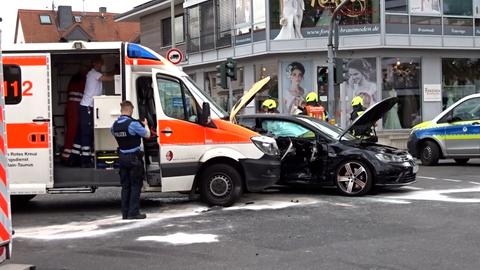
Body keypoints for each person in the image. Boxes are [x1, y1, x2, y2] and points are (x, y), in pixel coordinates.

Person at [111, 100, 151, 220]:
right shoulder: (133, 124)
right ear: (130, 110)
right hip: (134, 158)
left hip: (122, 158)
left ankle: (125, 213)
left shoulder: (115, 125)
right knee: (135, 185)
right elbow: (147, 135)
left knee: (125, 186)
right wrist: (145, 124)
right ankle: (133, 212)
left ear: (121, 110)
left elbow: (113, 133)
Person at [78, 58, 113, 167]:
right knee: (86, 133)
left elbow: (105, 75)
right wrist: (118, 75)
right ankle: (85, 160)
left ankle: (88, 157)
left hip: (90, 107)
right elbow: (107, 78)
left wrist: (114, 72)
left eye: (101, 64)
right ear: (93, 64)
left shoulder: (95, 74)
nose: (100, 65)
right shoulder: (93, 74)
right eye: (98, 63)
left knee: (89, 133)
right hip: (87, 107)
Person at [61, 67, 87, 165]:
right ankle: (67, 157)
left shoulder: (75, 79)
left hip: (71, 107)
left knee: (72, 132)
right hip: (74, 108)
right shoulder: (81, 79)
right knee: (73, 131)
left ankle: (68, 155)